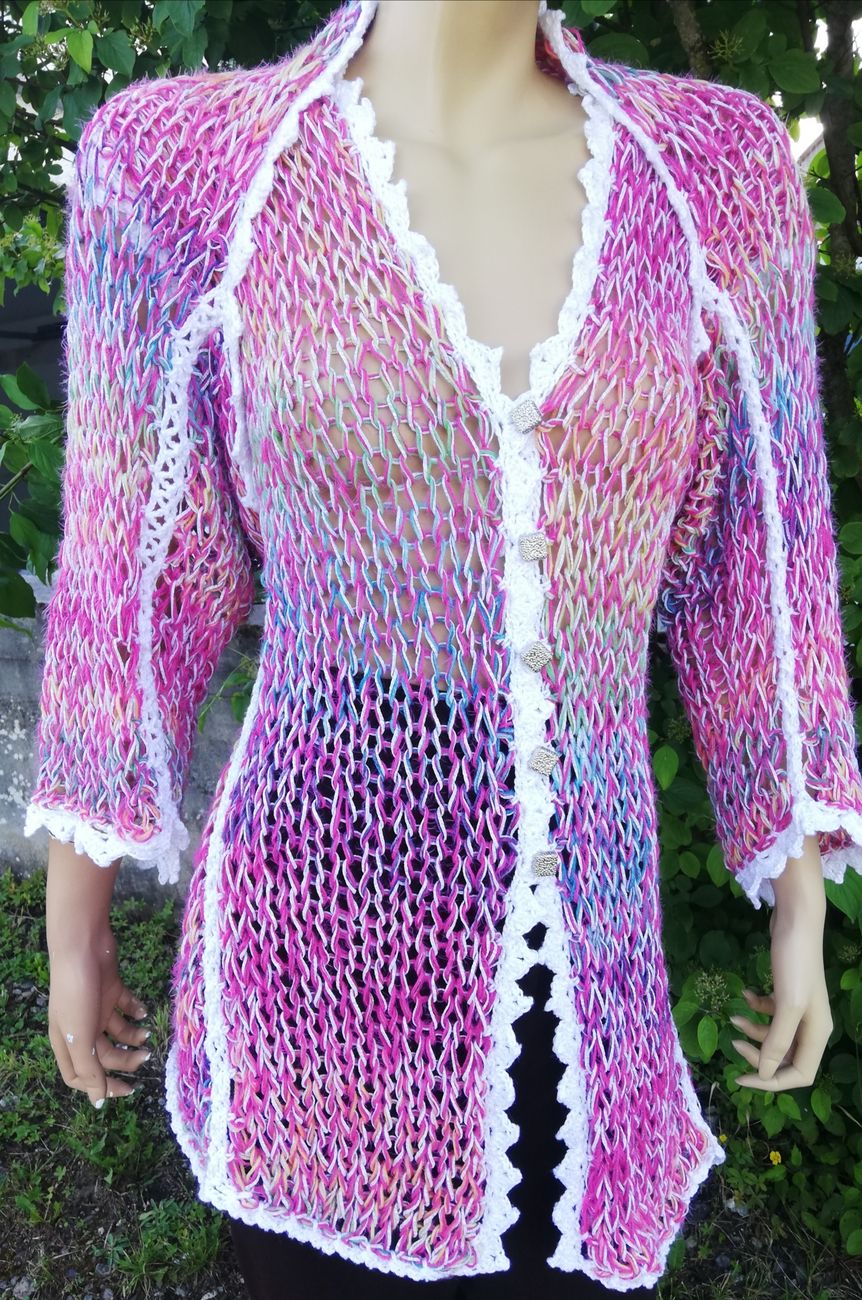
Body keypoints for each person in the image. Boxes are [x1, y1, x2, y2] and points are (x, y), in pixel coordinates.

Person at [27, 0, 861, 1296]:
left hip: (592, 940)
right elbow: (130, 573)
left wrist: (797, 881)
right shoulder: (184, 165)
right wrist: (73, 921)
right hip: (309, 947)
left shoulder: (714, 169)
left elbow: (761, 557)